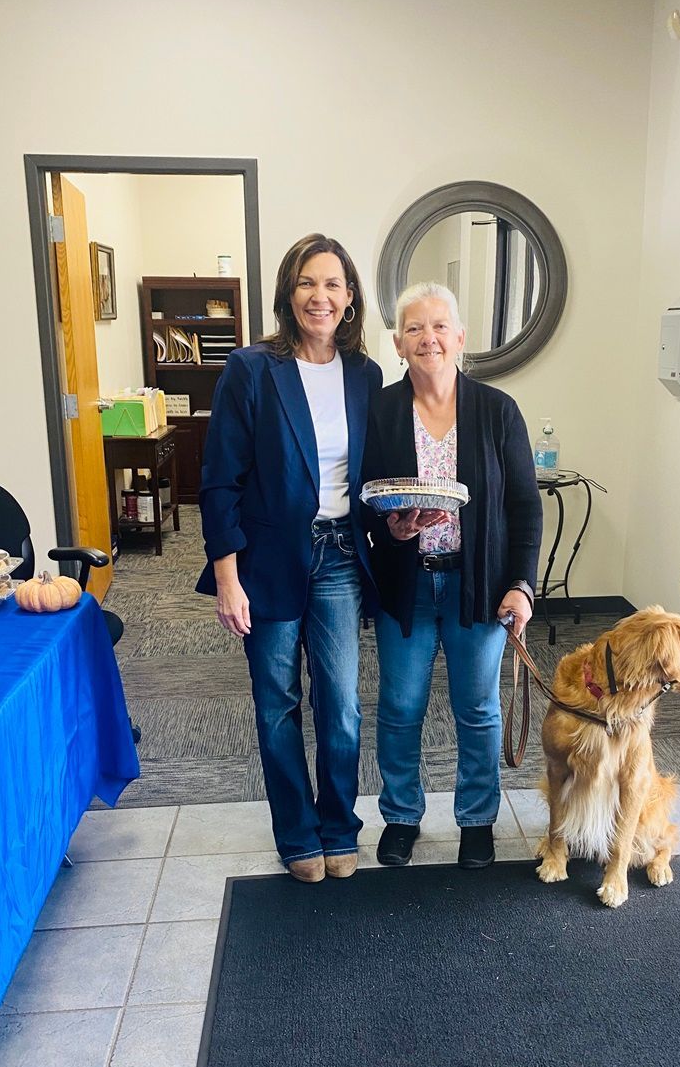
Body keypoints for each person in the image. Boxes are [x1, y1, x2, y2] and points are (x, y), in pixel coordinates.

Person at [197, 234, 382, 882]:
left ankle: (338, 826)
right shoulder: (251, 369)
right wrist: (227, 577)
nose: (319, 296)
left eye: (332, 284)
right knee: (277, 702)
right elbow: (219, 480)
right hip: (267, 559)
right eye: (307, 282)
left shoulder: (364, 375)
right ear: (287, 292)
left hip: (339, 555)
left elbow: (371, 475)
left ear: (350, 297)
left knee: (342, 705)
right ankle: (297, 832)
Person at [362, 281, 543, 870]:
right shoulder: (381, 411)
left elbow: (525, 507)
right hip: (408, 586)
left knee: (478, 708)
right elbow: (368, 497)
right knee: (400, 707)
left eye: (440, 326)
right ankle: (401, 816)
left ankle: (477, 820)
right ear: (398, 343)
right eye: (414, 328)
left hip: (479, 587)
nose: (428, 338)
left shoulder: (497, 411)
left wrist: (521, 584)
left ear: (460, 338)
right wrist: (394, 528)